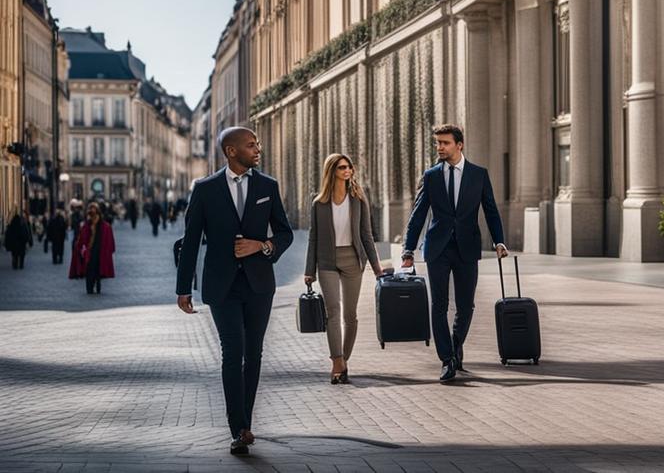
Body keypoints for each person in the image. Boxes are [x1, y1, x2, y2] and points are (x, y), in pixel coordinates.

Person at [176, 126, 294, 456]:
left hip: (259, 284)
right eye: (251, 144)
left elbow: (285, 233)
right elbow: (190, 242)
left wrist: (263, 245)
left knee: (253, 353)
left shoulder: (267, 186)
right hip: (221, 284)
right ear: (231, 151)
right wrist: (183, 288)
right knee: (233, 351)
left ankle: (246, 421)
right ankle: (238, 427)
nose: (258, 148)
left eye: (257, 143)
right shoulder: (205, 189)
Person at [402, 124, 508, 383]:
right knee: (438, 306)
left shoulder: (478, 175)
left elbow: (490, 210)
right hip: (437, 249)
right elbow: (418, 215)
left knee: (465, 306)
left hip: (467, 248)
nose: (439, 147)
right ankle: (447, 359)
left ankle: (455, 345)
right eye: (437, 143)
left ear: (459, 145)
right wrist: (408, 248)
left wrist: (499, 241)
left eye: (445, 143)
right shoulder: (431, 176)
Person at [304, 153, 384, 384]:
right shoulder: (319, 203)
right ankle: (337, 361)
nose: (347, 171)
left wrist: (377, 267)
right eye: (341, 167)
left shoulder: (358, 199)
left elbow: (367, 235)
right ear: (332, 172)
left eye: (349, 167)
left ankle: (344, 360)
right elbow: (313, 238)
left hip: (353, 260)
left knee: (350, 315)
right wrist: (310, 270)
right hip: (327, 261)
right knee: (332, 312)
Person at [70, 202, 117, 294]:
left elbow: (109, 241)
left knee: (96, 269)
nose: (91, 215)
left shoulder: (104, 226)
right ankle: (90, 287)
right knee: (89, 270)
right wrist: (81, 248)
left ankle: (97, 283)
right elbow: (81, 239)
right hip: (89, 252)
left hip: (99, 251)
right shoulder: (86, 226)